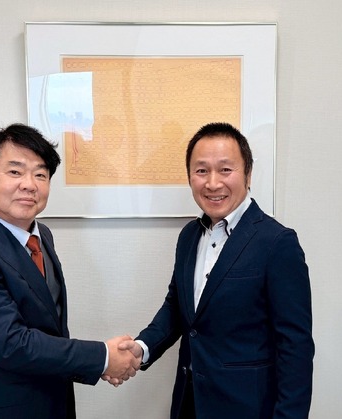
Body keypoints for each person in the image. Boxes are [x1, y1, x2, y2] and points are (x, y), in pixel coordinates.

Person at [0, 123, 140, 419]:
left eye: (40, 174)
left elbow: (46, 326)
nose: (30, 184)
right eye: (15, 172)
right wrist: (103, 358)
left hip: (49, 404)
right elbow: (12, 343)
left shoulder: (41, 236)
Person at [113, 122, 314, 418]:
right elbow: (176, 308)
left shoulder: (277, 242)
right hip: (190, 403)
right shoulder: (189, 236)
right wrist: (141, 348)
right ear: (190, 177)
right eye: (201, 170)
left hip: (248, 409)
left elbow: (295, 347)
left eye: (225, 169)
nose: (213, 183)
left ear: (248, 174)